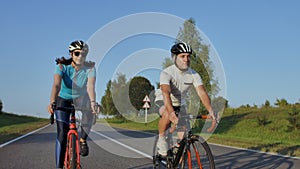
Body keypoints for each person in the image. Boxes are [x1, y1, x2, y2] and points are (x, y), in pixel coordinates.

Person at [155, 42, 216, 156]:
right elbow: (166, 92)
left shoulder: (194, 74)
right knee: (168, 114)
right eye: (182, 56)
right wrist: (171, 111)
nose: (186, 59)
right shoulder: (167, 72)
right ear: (174, 58)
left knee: (183, 135)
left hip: (180, 103)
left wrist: (210, 111)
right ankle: (162, 139)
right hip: (163, 100)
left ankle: (178, 150)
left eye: (188, 56)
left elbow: (202, 92)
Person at [47, 40, 98, 169]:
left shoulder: (90, 68)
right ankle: (59, 167)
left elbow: (90, 87)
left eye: (84, 54)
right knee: (62, 134)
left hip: (80, 98)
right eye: (77, 53)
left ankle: (82, 140)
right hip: (63, 98)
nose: (80, 57)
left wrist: (93, 103)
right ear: (71, 54)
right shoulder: (61, 66)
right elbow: (56, 85)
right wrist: (52, 102)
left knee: (90, 110)